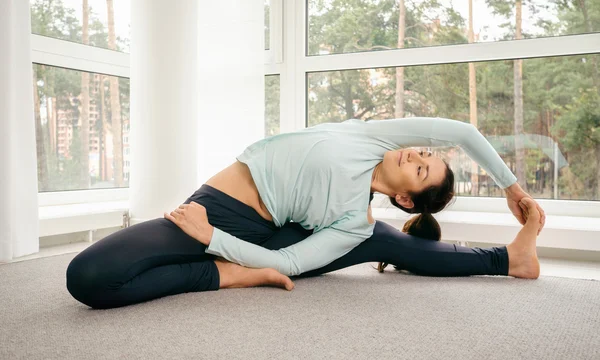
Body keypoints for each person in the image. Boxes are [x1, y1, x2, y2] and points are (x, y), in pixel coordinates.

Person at [66, 117, 545, 309]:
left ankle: (506, 260)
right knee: (87, 275)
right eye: (422, 154)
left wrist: (213, 239)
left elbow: (292, 264)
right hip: (215, 203)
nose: (414, 158)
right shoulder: (374, 139)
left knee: (374, 238)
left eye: (422, 171)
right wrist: (511, 188)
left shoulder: (355, 222)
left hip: (249, 234)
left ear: (405, 200)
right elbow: (461, 131)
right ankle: (233, 274)